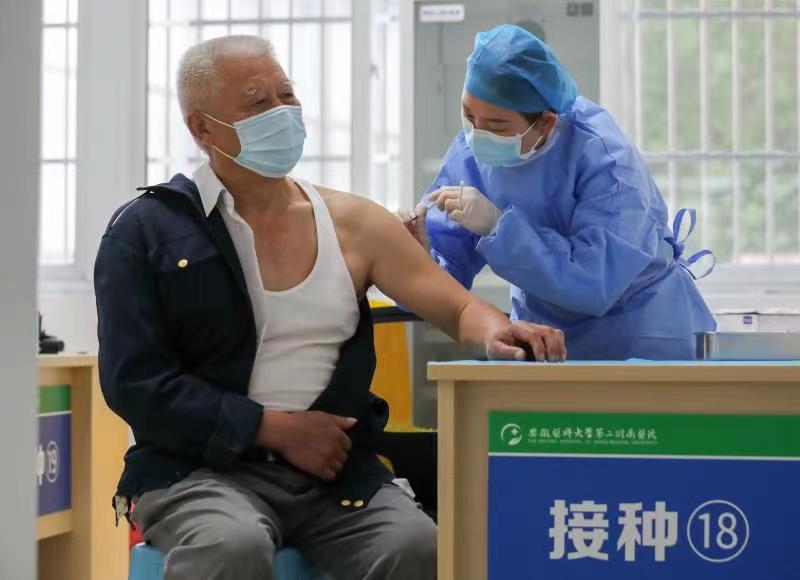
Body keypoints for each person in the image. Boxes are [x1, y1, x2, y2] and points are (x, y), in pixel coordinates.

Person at [94, 35, 566, 580]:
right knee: (232, 545)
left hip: (333, 473)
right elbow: (135, 384)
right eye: (258, 102)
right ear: (202, 128)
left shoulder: (354, 222)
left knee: (418, 546)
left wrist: (500, 330)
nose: (282, 112)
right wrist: (270, 429)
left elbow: (457, 309)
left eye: (287, 94)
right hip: (196, 471)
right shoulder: (146, 232)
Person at [401, 24, 716, 361]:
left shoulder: (608, 163)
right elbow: (445, 284)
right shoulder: (472, 151)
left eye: (497, 125)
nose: (476, 134)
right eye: (467, 114)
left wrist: (497, 228)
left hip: (638, 337)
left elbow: (594, 283)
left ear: (546, 123)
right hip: (542, 341)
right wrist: (418, 259)